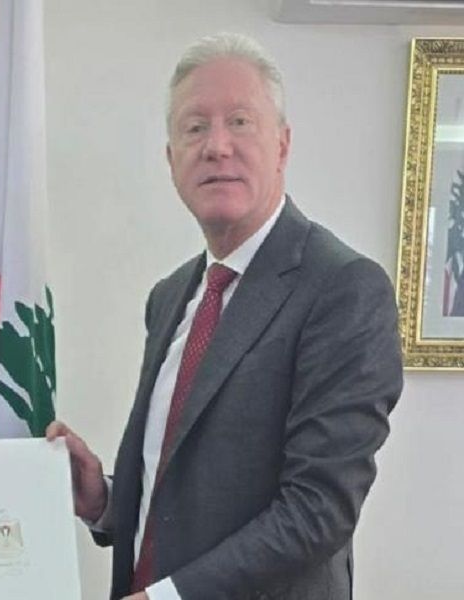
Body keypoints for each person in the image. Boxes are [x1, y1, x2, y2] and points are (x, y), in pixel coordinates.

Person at [48, 33, 402, 600]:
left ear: (282, 144)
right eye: (194, 128)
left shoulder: (343, 288)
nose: (216, 146)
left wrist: (167, 598)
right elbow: (184, 493)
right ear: (171, 161)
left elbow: (318, 509)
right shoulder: (170, 296)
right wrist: (104, 501)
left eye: (240, 122)